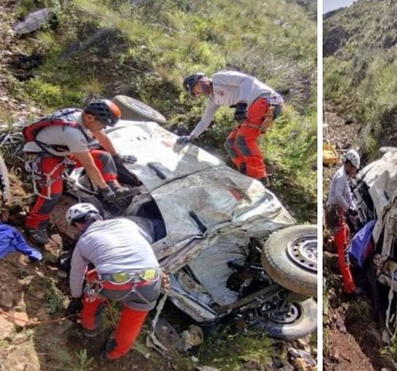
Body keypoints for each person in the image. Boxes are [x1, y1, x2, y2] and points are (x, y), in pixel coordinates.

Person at [22, 99, 138, 245]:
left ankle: (115, 187)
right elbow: (89, 165)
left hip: (60, 151)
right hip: (43, 155)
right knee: (52, 192)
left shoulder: (82, 116)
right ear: (90, 117)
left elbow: (102, 136)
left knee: (103, 157)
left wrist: (116, 156)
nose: (102, 127)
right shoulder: (73, 133)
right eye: (102, 123)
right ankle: (34, 225)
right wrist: (104, 190)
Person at [64, 203, 162, 361]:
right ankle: (113, 354)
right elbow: (147, 241)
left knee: (92, 283)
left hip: (115, 283)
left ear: (78, 225)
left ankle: (89, 326)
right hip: (150, 282)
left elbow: (77, 273)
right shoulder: (126, 223)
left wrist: (76, 298)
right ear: (98, 216)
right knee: (134, 320)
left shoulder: (84, 240)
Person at [178, 71, 284, 184]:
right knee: (231, 143)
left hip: (267, 99)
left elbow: (248, 80)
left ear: (201, 79)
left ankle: (259, 177)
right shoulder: (214, 99)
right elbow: (205, 120)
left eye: (197, 87)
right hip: (254, 106)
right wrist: (191, 136)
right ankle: (245, 172)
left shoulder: (219, 78)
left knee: (244, 139)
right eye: (196, 92)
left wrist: (242, 104)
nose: (200, 91)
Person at [325, 149, 360, 294]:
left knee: (346, 231)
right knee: (343, 253)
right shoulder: (340, 177)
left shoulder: (344, 176)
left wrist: (353, 208)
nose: (354, 172)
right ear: (349, 165)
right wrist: (348, 208)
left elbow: (348, 194)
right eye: (354, 169)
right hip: (334, 214)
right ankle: (349, 288)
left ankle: (336, 245)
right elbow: (339, 195)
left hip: (338, 214)